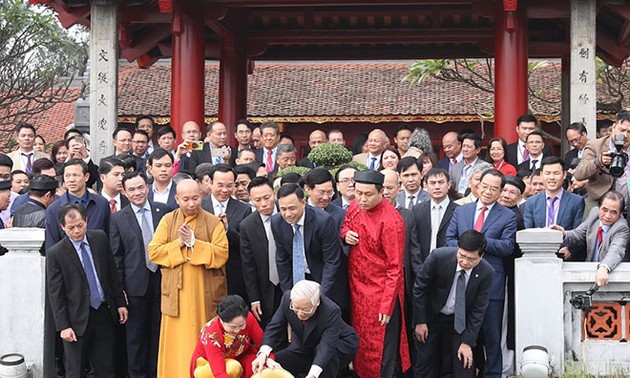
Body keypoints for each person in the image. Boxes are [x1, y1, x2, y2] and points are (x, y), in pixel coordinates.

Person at [148, 179, 229, 377]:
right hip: (176, 296)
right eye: (185, 199)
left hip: (204, 293)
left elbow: (222, 253)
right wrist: (180, 244)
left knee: (202, 338)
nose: (191, 203)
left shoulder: (213, 222)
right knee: (178, 344)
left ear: (202, 195)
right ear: (176, 199)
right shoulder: (168, 221)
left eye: (195, 198)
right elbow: (154, 252)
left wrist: (195, 243)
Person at [445, 169, 517, 378]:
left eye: (494, 188)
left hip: (492, 284)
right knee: (463, 333)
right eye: (484, 186)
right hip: (462, 282)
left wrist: (479, 243)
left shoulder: (508, 215)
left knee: (491, 336)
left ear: (501, 191)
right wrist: (466, 247)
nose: (487, 191)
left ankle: (493, 374)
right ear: (476, 185)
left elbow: (507, 247)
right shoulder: (462, 210)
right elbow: (449, 239)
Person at [340, 170, 411, 376]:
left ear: (382, 192)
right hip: (357, 289)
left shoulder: (392, 222)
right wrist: (346, 235)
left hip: (380, 293)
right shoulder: (355, 205)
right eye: (358, 193)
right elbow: (345, 225)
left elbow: (395, 268)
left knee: (381, 350)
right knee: (360, 343)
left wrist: (387, 305)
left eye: (368, 194)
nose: (362, 199)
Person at [46, 204, 128, 378]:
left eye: (80, 225)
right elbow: (56, 293)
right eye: (71, 228)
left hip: (103, 312)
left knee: (106, 367)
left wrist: (120, 303)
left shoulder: (99, 238)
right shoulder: (56, 253)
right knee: (75, 369)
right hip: (75, 318)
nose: (76, 231)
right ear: (62, 227)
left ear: (86, 221)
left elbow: (112, 273)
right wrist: (64, 326)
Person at [109, 171, 170, 378]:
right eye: (132, 189)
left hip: (163, 282)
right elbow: (116, 259)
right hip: (134, 287)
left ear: (148, 187)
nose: (137, 193)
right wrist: (120, 293)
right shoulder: (118, 219)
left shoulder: (164, 211)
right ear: (124, 192)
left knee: (159, 335)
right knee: (135, 339)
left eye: (141, 187)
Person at [413, 230, 494, 378]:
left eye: (471, 259)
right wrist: (420, 321)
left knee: (464, 364)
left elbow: (478, 310)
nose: (464, 262)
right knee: (425, 364)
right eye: (462, 256)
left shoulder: (486, 272)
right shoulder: (438, 257)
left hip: (459, 322)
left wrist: (468, 342)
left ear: (481, 257)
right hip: (432, 317)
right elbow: (420, 289)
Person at [251, 280, 359, 378]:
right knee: (274, 361)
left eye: (305, 309)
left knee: (324, 364)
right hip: (306, 344)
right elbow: (275, 327)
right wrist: (263, 354)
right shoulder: (287, 299)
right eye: (296, 308)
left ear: (317, 303)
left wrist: (312, 375)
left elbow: (326, 347)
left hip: (338, 344)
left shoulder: (331, 311)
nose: (300, 313)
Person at [272, 183, 342, 305]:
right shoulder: (277, 222)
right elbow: (282, 260)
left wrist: (320, 297)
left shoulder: (324, 221)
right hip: (296, 278)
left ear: (303, 203)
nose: (288, 214)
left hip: (321, 278)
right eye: (283, 209)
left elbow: (331, 262)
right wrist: (288, 294)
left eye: (292, 208)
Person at [382, 168, 421, 368]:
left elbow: (414, 252)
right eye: (383, 187)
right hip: (376, 287)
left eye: (390, 187)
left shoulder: (407, 215)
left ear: (399, 187)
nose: (386, 192)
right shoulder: (366, 212)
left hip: (401, 283)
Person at [552, 191, 629, 287]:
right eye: (604, 210)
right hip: (589, 273)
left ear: (620, 214)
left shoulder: (622, 227)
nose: (608, 215)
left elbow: (616, 250)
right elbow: (578, 234)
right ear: (599, 207)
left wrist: (604, 267)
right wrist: (562, 233)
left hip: (610, 279)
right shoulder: (594, 214)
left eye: (613, 212)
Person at [201, 164, 252, 301]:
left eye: (230, 186)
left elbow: (245, 243)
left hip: (232, 273)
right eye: (220, 185)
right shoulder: (199, 206)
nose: (225, 190)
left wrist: (227, 230)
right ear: (210, 183)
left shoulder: (244, 209)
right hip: (203, 270)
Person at [240, 177, 282, 328]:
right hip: (266, 288)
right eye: (257, 200)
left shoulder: (288, 212)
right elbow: (248, 265)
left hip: (291, 283)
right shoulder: (247, 225)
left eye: (267, 197)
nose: (263, 204)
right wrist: (254, 299)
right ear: (250, 200)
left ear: (274, 194)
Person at [191, 295, 265, 378]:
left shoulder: (249, 318)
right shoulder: (212, 334)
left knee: (264, 366)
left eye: (241, 325)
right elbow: (219, 373)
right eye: (232, 327)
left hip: (240, 356)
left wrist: (268, 359)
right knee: (233, 368)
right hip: (209, 364)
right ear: (221, 320)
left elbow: (263, 344)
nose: (237, 330)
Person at [45, 159, 111, 250]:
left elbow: (109, 238)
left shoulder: (101, 203)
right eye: (67, 176)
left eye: (76, 175)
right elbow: (51, 246)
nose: (71, 180)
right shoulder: (54, 209)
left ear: (86, 177)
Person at [573, 110, 630, 208]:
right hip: (599, 202)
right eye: (622, 130)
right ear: (613, 127)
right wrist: (598, 162)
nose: (625, 135)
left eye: (629, 132)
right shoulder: (596, 145)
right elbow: (579, 173)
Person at [523, 156, 584, 232]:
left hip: (565, 243)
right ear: (541, 175)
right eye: (547, 173)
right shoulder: (532, 202)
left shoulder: (576, 201)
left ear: (564, 175)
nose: (551, 177)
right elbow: (527, 233)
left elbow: (578, 234)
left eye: (556, 173)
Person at [414, 168, 459, 264]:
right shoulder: (417, 210)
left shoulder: (459, 211)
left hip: (449, 264)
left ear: (449, 184)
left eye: (441, 182)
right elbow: (414, 242)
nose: (437, 187)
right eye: (433, 183)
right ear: (425, 185)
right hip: (422, 265)